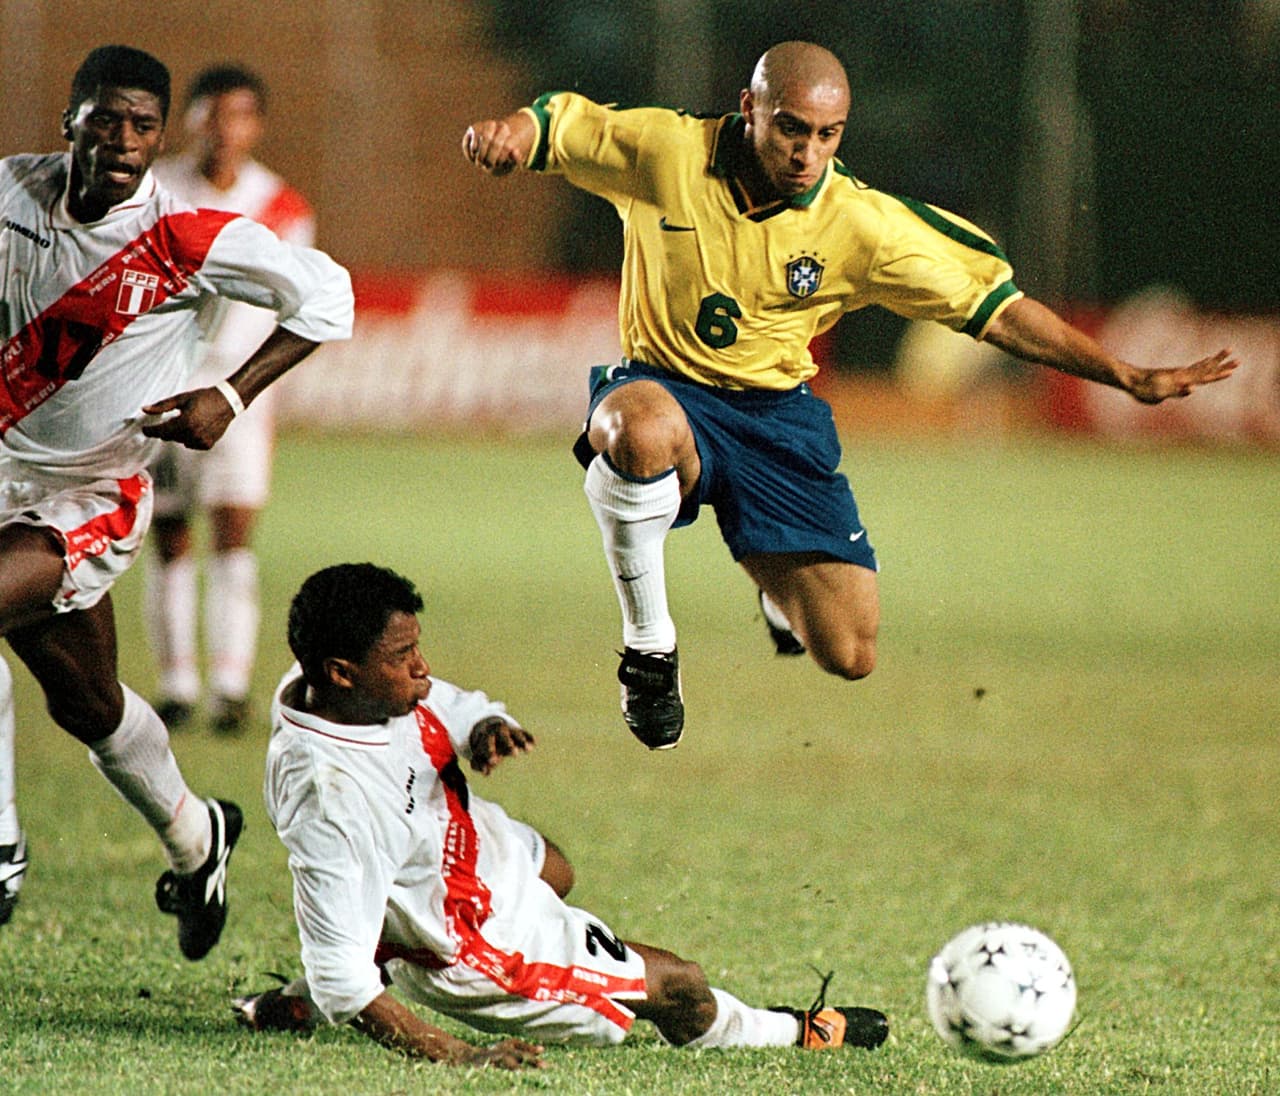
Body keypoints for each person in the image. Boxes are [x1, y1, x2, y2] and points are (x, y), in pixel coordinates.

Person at [461, 40, 1240, 751]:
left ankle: (775, 591)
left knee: (850, 654)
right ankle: (649, 650)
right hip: (667, 392)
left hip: (777, 422)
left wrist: (1125, 374)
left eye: (827, 135)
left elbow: (997, 307)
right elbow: (562, 125)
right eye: (791, 129)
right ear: (749, 108)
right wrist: (509, 135)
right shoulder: (668, 153)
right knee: (634, 427)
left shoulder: (860, 224)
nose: (807, 153)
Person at [231, 562, 888, 1069]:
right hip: (477, 943)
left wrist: (482, 723)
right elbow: (343, 980)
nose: (423, 669)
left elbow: (444, 700)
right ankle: (793, 1030)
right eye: (403, 659)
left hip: (471, 851)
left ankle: (301, 999)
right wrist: (461, 1055)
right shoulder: (332, 797)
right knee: (681, 985)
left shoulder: (331, 685)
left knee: (559, 869)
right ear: (343, 674)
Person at [0, 45, 353, 955]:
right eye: (105, 118)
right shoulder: (9, 193)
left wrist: (229, 394)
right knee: (88, 705)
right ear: (69, 119)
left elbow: (327, 296)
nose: (122, 140)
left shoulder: (183, 236)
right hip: (3, 477)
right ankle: (200, 838)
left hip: (92, 492)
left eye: (142, 125)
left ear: (161, 136)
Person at [145, 64, 316, 735]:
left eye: (239, 115)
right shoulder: (157, 191)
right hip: (160, 387)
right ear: (189, 121)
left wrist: (254, 388)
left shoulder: (283, 208)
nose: (224, 130)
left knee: (234, 535)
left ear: (257, 125)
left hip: (240, 394)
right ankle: (177, 684)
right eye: (212, 114)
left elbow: (295, 309)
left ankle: (230, 684)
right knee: (168, 535)